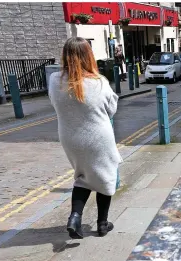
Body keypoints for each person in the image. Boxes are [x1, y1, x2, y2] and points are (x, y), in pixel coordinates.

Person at [48, 37, 121, 239]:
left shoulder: (55, 80)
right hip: (97, 138)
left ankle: (75, 217)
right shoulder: (99, 82)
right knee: (105, 177)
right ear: (89, 56)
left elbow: (54, 102)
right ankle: (102, 224)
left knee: (83, 177)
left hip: (70, 138)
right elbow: (111, 109)